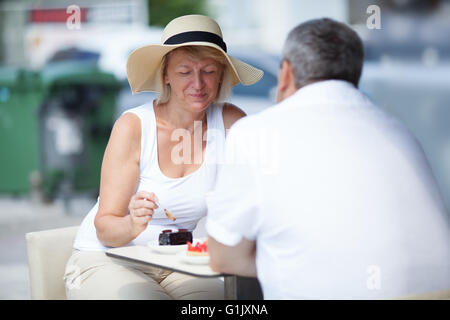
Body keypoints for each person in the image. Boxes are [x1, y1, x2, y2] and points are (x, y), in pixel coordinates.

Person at [206, 18, 450, 299]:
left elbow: (224, 257)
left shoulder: (254, 133)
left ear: (285, 74)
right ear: (354, 74)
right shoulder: (400, 131)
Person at [63, 14, 263, 300]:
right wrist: (133, 224)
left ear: (221, 75)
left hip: (179, 263)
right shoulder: (134, 126)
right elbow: (106, 229)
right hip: (108, 257)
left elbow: (257, 193)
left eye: (208, 70)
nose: (198, 83)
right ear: (166, 75)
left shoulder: (231, 122)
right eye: (184, 72)